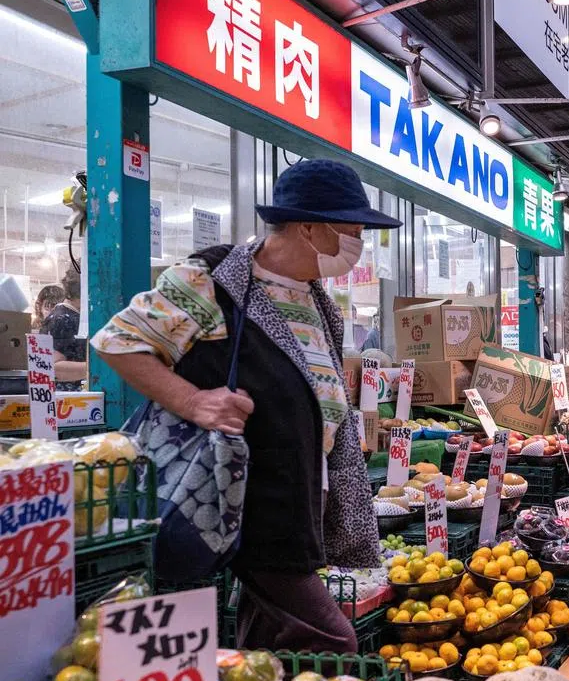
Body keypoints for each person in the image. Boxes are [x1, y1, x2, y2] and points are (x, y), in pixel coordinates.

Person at [91, 159, 399, 653]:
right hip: (243, 498)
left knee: (268, 637)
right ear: (307, 227)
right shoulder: (211, 280)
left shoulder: (318, 300)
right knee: (331, 637)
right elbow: (116, 341)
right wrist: (194, 401)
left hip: (299, 494)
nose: (359, 242)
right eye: (351, 228)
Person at [41, 267, 87, 391]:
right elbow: (54, 368)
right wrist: (97, 368)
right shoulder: (61, 319)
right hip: (67, 402)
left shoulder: (76, 316)